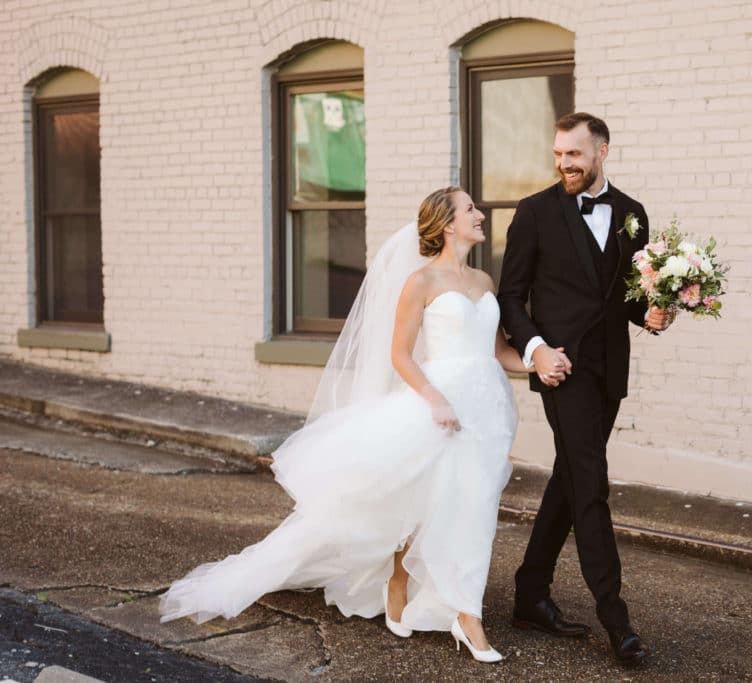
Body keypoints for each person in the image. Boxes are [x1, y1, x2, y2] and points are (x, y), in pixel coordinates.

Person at [160, 187, 533, 664]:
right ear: (446, 224)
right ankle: (461, 613)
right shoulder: (421, 282)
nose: (481, 215)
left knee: (472, 505)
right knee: (430, 504)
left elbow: (498, 351)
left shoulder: (483, 279)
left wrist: (539, 361)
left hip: (488, 407)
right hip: (439, 405)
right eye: (470, 210)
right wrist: (436, 400)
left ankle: (421, 589)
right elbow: (399, 354)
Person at [497, 112, 671, 666]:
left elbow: (627, 297)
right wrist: (536, 350)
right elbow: (510, 298)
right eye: (558, 155)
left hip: (608, 371)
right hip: (561, 370)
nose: (564, 164)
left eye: (574, 154)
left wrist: (656, 314)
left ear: (603, 152)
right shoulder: (534, 213)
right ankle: (616, 620)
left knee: (572, 476)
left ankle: (530, 594)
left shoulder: (632, 215)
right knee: (591, 484)